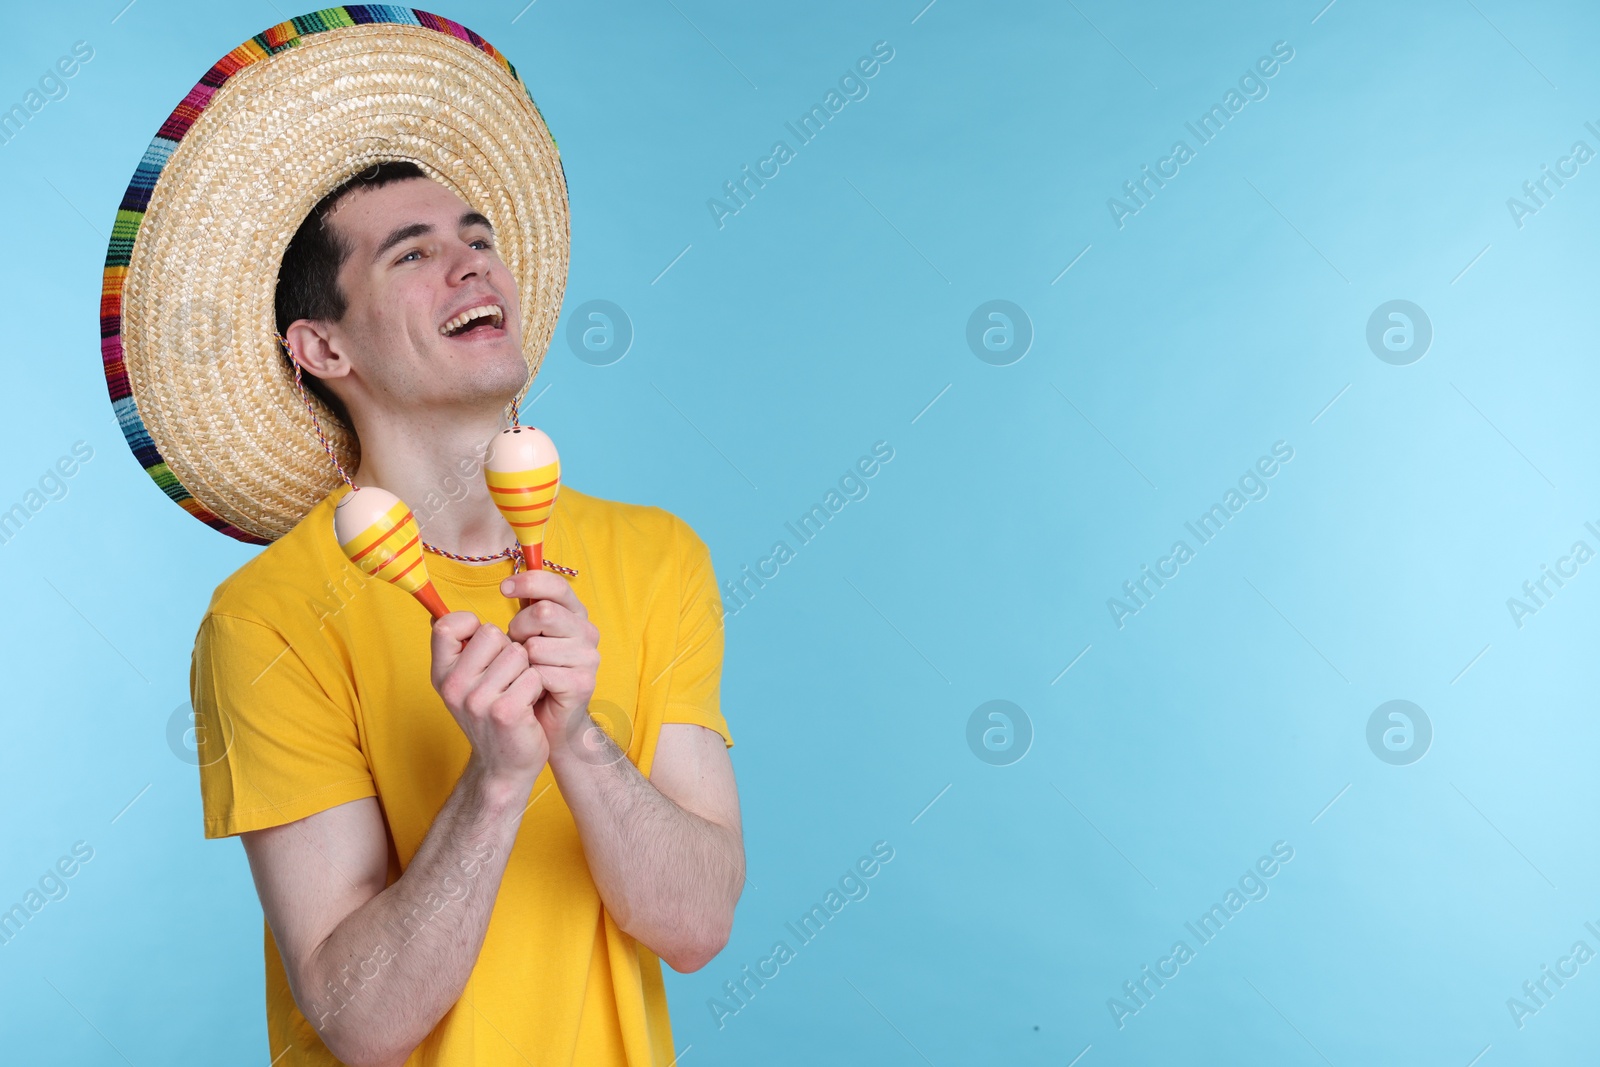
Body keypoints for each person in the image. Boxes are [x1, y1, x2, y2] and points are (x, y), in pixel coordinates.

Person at [100, 12, 742, 1065]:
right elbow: (361, 1019)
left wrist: (577, 740)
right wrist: (495, 780)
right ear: (321, 345)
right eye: (414, 253)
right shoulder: (266, 618)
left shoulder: (656, 556)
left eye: (479, 238)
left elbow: (697, 924)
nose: (472, 266)